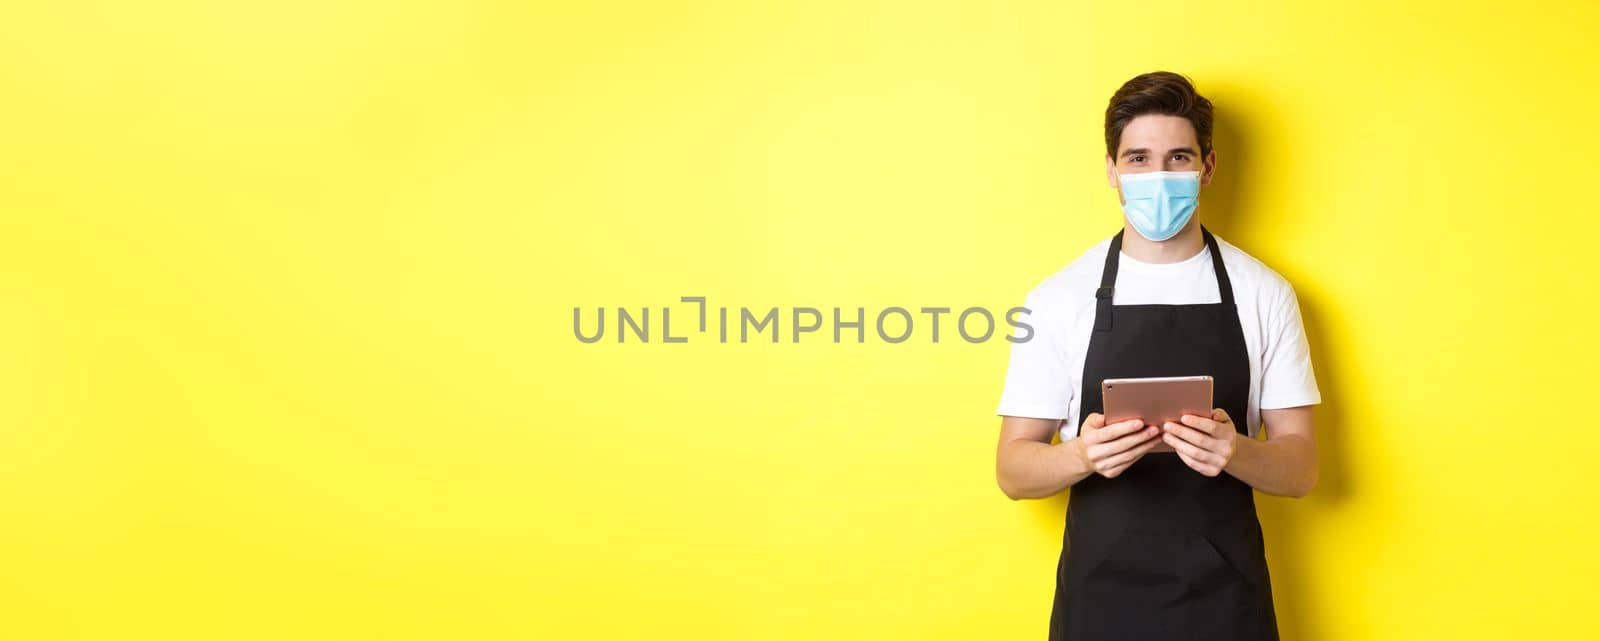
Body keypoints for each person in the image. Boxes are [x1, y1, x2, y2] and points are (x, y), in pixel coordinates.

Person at [993, 71, 1322, 641]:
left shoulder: (1264, 293)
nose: (1159, 177)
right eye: (1139, 159)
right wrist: (1082, 456)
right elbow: (1012, 471)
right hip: (1100, 601)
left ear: (1207, 168)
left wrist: (1235, 450)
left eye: (1178, 158)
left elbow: (1301, 470)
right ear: (1113, 171)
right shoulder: (1057, 298)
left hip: (1226, 602)